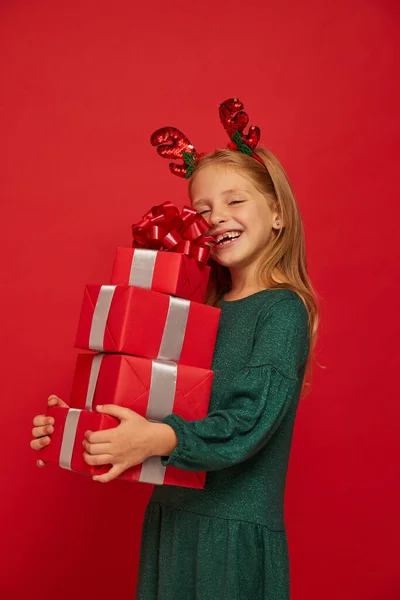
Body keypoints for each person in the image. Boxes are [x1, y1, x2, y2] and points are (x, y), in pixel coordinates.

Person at [30, 99, 320, 599]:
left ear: (277, 213)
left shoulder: (282, 311)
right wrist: (82, 425)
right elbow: (156, 406)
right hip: (172, 523)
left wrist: (156, 440)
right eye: (202, 209)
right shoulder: (195, 313)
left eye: (235, 201)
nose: (216, 218)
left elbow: (245, 423)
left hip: (229, 542)